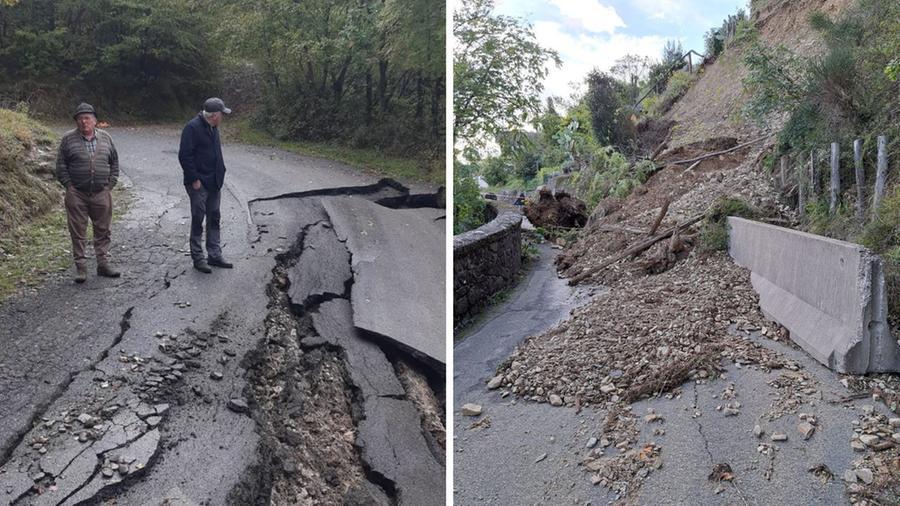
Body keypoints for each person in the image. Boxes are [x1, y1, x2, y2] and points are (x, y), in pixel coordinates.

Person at [55, 103, 121, 283]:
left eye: (87, 118)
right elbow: (61, 166)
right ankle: (81, 268)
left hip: (101, 192)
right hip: (77, 194)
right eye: (80, 118)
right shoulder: (68, 139)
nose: (84, 122)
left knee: (103, 230)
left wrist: (110, 184)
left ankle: (103, 264)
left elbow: (114, 162)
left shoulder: (106, 138)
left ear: (95, 120)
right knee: (77, 232)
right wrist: (69, 186)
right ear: (76, 121)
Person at [178, 97, 234, 273]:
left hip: (214, 182)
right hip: (199, 184)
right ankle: (198, 258)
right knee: (198, 219)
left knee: (214, 217)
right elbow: (184, 155)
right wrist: (194, 179)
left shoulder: (213, 127)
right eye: (222, 114)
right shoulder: (192, 128)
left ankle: (214, 255)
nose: (223, 117)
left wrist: (221, 172)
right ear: (215, 115)